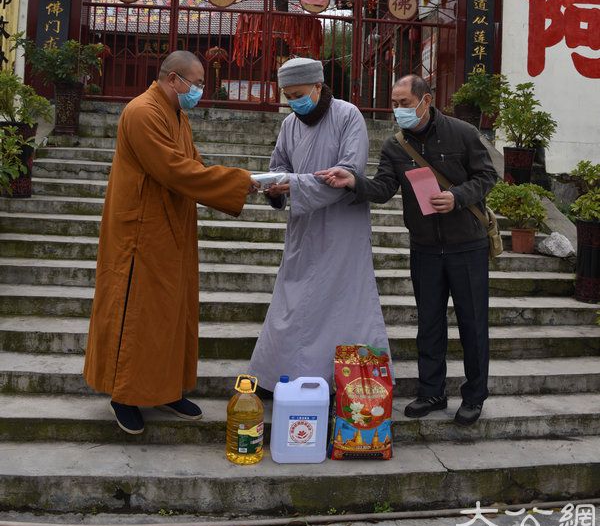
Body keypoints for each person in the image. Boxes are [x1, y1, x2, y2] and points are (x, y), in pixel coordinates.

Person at [83, 51, 256, 435]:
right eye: (195, 83)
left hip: (172, 228)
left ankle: (166, 388)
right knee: (138, 314)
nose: (199, 90)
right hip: (140, 233)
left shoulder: (177, 114)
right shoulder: (142, 112)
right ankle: (125, 395)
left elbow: (193, 163)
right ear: (174, 78)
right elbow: (173, 169)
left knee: (171, 312)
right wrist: (240, 182)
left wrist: (245, 180)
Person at [317, 74, 498, 427]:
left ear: (425, 100)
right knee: (429, 323)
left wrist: (457, 197)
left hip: (467, 245)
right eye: (394, 104)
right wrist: (353, 181)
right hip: (426, 247)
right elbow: (384, 188)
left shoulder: (461, 132)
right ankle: (432, 391)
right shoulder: (395, 146)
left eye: (404, 103)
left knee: (473, 324)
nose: (398, 110)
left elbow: (487, 175)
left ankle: (474, 396)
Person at [248, 57, 393, 392]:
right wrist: (273, 186)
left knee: (341, 302)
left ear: (318, 86)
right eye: (287, 95)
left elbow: (347, 172)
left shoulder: (347, 115)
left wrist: (294, 185)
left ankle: (344, 383)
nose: (293, 102)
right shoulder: (290, 124)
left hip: (342, 227)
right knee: (292, 301)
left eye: (298, 93)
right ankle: (278, 377)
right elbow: (279, 164)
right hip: (303, 226)